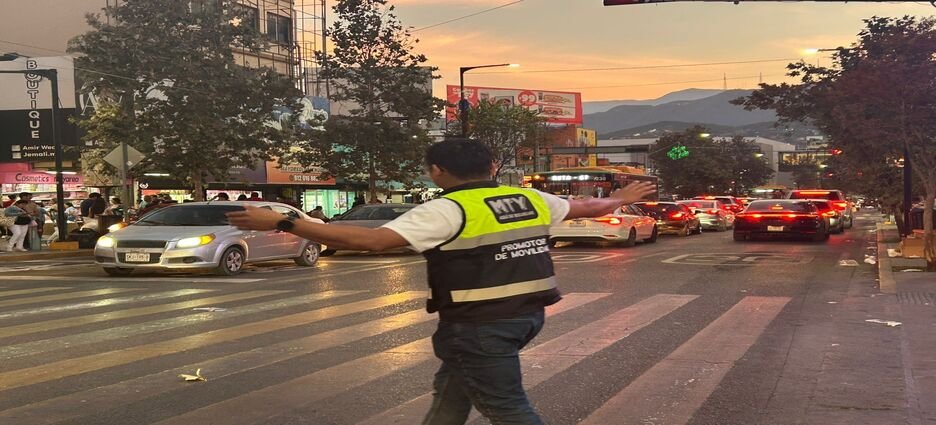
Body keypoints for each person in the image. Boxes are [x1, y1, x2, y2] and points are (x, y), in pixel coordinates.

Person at [226, 138, 655, 424]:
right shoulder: (529, 198)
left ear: (436, 171)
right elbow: (586, 207)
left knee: (507, 408)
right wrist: (619, 199)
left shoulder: (447, 210)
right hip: (526, 315)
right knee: (452, 393)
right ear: (492, 165)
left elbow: (372, 241)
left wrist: (284, 222)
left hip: (479, 325)